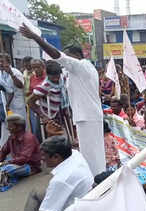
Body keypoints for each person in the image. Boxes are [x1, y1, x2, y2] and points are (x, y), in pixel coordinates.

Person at [20, 24, 106, 175]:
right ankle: (95, 182)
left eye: (67, 57)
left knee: (92, 156)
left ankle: (97, 183)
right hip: (85, 117)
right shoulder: (75, 72)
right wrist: (44, 115)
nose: (64, 61)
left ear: (77, 56)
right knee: (90, 154)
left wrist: (35, 37)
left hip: (88, 117)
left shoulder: (81, 66)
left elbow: (57, 56)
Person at [0, 136, 93, 211]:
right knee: (35, 193)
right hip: (82, 201)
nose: (42, 159)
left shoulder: (61, 180)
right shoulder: (74, 154)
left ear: (56, 157)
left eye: (44, 156)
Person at [0, 115, 41, 192]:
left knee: (6, 169)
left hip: (30, 166)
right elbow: (3, 151)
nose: (8, 128)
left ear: (19, 127)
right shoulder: (11, 137)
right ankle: (8, 179)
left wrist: (7, 162)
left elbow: (24, 158)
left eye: (10, 126)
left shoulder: (29, 138)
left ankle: (7, 178)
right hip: (17, 163)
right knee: (5, 169)